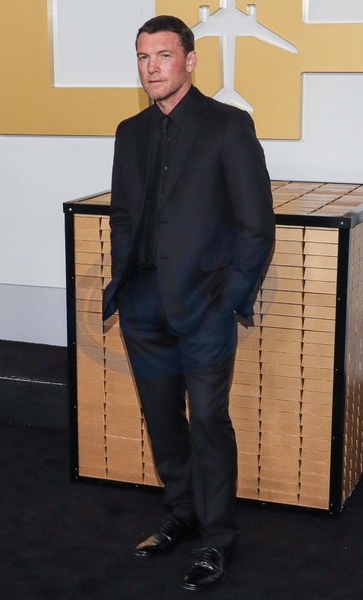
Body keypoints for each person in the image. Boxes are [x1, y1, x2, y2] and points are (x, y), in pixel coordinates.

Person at [102, 15, 275, 592]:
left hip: (205, 307)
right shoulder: (130, 132)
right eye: (143, 57)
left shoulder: (229, 126)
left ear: (190, 61)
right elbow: (123, 216)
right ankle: (181, 513)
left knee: (207, 421)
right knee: (162, 420)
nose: (152, 68)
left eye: (164, 55)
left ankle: (218, 537)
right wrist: (123, 284)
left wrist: (230, 303)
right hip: (143, 304)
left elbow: (256, 226)